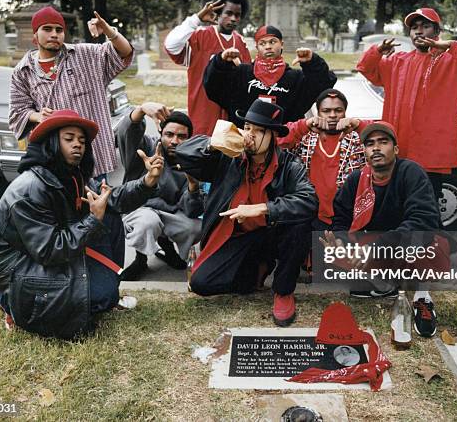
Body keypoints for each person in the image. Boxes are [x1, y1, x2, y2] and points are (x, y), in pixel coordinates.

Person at [0, 110, 163, 339]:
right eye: (69, 139)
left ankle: (102, 288)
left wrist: (147, 182)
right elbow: (49, 250)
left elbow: (112, 198)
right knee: (100, 296)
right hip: (19, 266)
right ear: (52, 142)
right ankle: (8, 299)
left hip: (50, 250)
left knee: (109, 219)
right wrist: (92, 220)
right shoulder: (29, 189)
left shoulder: (71, 175)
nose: (78, 145)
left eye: (82, 141)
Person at [174, 101, 318, 326]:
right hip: (237, 236)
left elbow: (308, 200)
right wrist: (215, 144)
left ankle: (283, 291)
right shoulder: (228, 157)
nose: (250, 135)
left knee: (299, 224)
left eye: (259, 130)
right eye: (248, 127)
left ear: (272, 136)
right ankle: (257, 270)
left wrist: (263, 208)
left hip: (273, 232)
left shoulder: (290, 163)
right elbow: (182, 153)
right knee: (202, 284)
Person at [356, 8, 457, 198]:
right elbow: (365, 69)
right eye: (414, 28)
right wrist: (377, 52)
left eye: (425, 26)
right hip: (398, 153)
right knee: (394, 210)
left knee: (425, 212)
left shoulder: (455, 63)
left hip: (432, 157)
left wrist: (451, 47)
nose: (418, 31)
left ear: (437, 32)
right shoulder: (397, 61)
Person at [328, 121, 441, 337]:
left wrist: (374, 248)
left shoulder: (411, 172)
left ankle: (422, 298)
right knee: (339, 258)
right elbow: (340, 218)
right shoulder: (356, 179)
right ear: (365, 151)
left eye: (383, 142)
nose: (376, 148)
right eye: (370, 144)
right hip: (378, 245)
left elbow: (423, 219)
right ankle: (385, 283)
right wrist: (342, 242)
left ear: (395, 149)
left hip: (404, 242)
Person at [9, 6, 134, 179]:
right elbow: (17, 111)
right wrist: (37, 116)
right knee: (60, 204)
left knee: (96, 203)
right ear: (35, 36)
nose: (54, 34)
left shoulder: (86, 54)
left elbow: (124, 52)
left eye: (59, 30)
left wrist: (109, 31)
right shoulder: (23, 70)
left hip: (92, 154)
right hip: (53, 157)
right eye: (47, 29)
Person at [117, 102, 203, 280]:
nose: (174, 141)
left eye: (182, 136)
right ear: (160, 133)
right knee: (148, 222)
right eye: (169, 134)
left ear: (190, 138)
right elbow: (127, 132)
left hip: (170, 212)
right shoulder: (146, 147)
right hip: (141, 210)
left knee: (195, 227)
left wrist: (193, 188)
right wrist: (140, 110)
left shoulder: (193, 160)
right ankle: (140, 260)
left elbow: (191, 210)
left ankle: (167, 246)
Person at [203, 25, 337, 127]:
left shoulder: (295, 78)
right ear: (257, 47)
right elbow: (213, 87)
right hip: (244, 143)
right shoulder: (242, 74)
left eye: (273, 42)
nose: (268, 46)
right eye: (262, 43)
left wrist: (312, 62)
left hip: (285, 144)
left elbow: (322, 84)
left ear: (281, 44)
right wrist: (221, 62)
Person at [164, 0, 252, 135]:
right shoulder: (200, 36)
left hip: (231, 122)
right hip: (202, 119)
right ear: (218, 13)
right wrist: (196, 19)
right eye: (229, 13)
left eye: (237, 15)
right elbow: (170, 45)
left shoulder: (241, 43)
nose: (233, 19)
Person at [277, 88, 369, 229]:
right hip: (310, 216)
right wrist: (304, 125)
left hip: (346, 218)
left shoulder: (358, 139)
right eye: (326, 111)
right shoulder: (305, 137)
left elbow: (385, 135)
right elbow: (277, 140)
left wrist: (358, 124)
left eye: (338, 110)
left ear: (345, 113)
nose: (332, 115)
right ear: (318, 113)